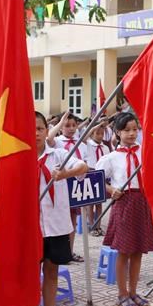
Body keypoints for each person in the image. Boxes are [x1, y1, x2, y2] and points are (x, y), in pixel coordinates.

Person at [28, 112, 88, 306]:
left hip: (56, 224)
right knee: (33, 275)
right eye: (31, 129)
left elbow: (82, 166)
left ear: (46, 130)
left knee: (51, 271)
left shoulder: (59, 154)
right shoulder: (20, 158)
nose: (36, 133)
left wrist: (66, 173)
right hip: (30, 226)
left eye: (40, 128)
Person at [95, 112, 153, 306]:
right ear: (117, 132)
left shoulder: (144, 153)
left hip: (142, 202)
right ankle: (121, 294)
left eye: (135, 129)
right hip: (124, 203)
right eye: (127, 130)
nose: (131, 134)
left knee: (138, 250)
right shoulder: (111, 158)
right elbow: (96, 179)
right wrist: (111, 190)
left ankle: (133, 291)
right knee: (124, 251)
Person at [48, 112, 88, 262]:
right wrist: (59, 123)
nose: (71, 129)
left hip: (77, 181)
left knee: (73, 219)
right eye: (67, 125)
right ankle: (60, 250)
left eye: (73, 125)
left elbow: (85, 163)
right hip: (61, 183)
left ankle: (70, 251)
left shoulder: (82, 144)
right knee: (61, 217)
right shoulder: (57, 142)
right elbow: (49, 138)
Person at [85, 124, 110, 236]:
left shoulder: (105, 147)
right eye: (97, 133)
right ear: (92, 133)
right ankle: (92, 226)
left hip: (101, 175)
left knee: (99, 202)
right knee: (91, 202)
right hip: (90, 173)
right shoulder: (88, 144)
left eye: (102, 133)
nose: (100, 136)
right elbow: (85, 136)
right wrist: (96, 126)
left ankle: (98, 226)